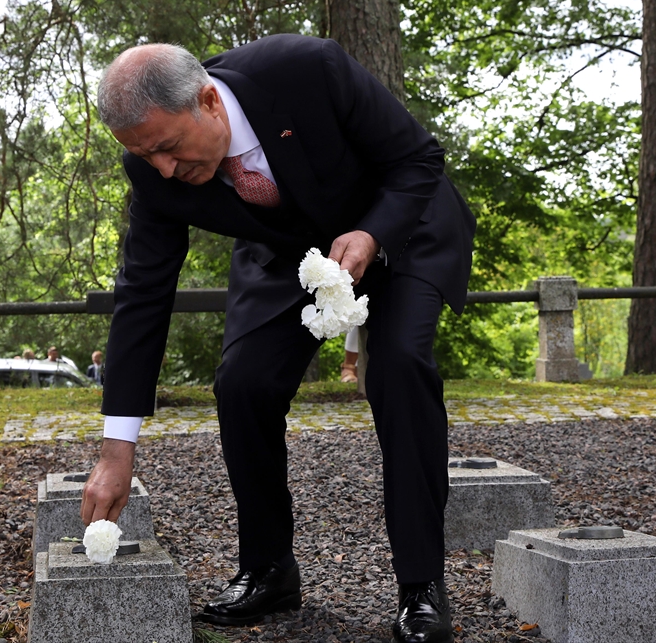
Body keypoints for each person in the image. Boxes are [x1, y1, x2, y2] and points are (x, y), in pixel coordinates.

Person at [80, 37, 475, 643]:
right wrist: (116, 451)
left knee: (398, 365)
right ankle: (268, 569)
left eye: (166, 148)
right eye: (143, 155)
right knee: (243, 383)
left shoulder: (305, 69)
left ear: (209, 102)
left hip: (400, 224)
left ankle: (421, 585)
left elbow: (419, 160)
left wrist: (370, 234)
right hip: (290, 253)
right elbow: (142, 298)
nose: (162, 169)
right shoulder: (152, 169)